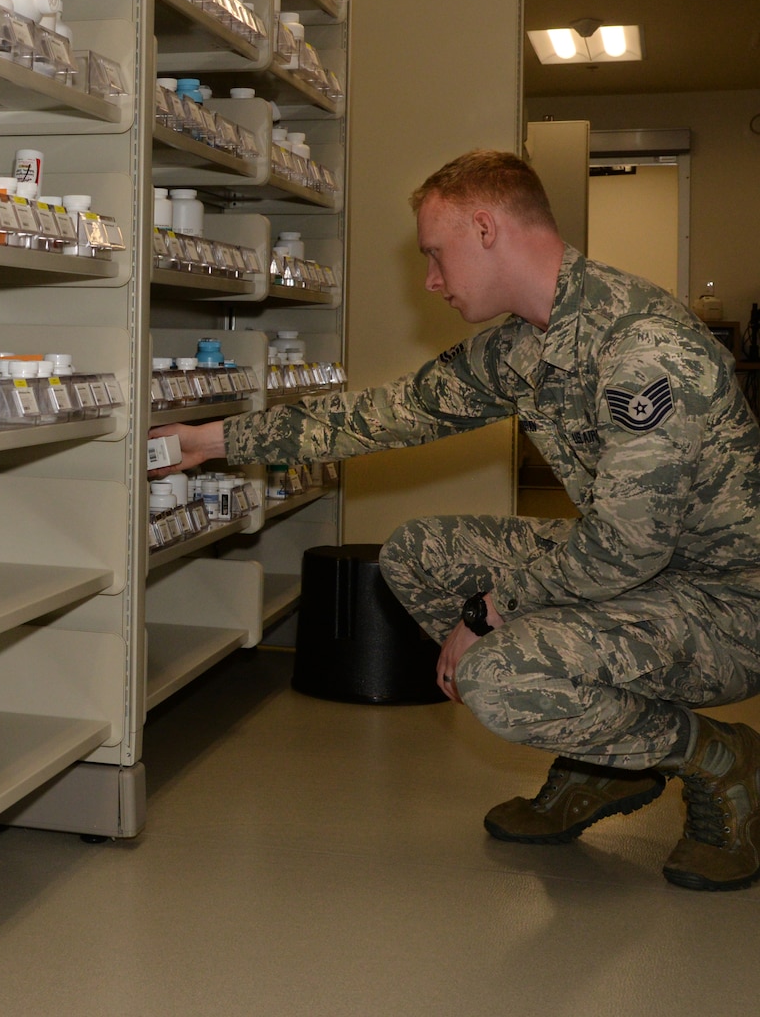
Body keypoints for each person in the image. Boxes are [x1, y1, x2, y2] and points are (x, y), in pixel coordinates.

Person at [154, 149, 760, 891]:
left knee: (496, 677)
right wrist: (209, 442)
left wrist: (490, 611)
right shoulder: (526, 343)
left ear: (484, 228)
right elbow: (386, 415)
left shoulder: (644, 352)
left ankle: (718, 757)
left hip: (728, 602)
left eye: (435, 255)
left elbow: (626, 547)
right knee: (417, 553)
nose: (431, 281)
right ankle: (602, 755)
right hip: (642, 566)